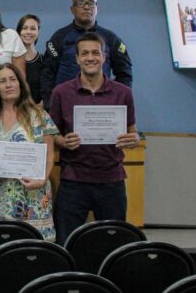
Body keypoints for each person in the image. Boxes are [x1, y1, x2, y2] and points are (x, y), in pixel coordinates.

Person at [49, 32, 139, 245]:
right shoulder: (60, 92)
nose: (90, 58)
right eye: (85, 53)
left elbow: (132, 131)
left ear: (104, 56)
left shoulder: (123, 93)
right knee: (66, 243)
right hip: (73, 180)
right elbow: (53, 136)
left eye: (95, 53)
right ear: (77, 58)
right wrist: (64, 141)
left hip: (112, 180)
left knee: (114, 245)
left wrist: (133, 139)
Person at [0, 63, 58, 241]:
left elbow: (49, 155)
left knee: (35, 252)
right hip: (1, 196)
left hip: (34, 195)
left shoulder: (39, 116)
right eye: (2, 81)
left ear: (21, 84)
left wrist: (42, 179)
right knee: (3, 250)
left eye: (13, 79)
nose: (8, 85)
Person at [40, 0, 132, 109]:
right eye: (81, 3)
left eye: (91, 3)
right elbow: (47, 73)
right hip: (65, 105)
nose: (87, 7)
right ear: (72, 9)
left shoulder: (111, 38)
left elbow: (124, 72)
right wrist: (50, 103)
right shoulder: (59, 37)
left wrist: (117, 100)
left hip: (102, 106)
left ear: (97, 8)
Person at [17, 14, 44, 105]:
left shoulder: (44, 61)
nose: (28, 32)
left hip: (39, 112)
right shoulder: (11, 61)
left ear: (38, 32)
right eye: (24, 28)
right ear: (19, 31)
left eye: (33, 28)